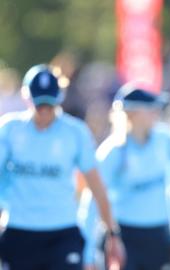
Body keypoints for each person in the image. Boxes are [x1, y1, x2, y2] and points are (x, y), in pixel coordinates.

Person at [0, 64, 124, 270]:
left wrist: (112, 233)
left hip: (62, 232)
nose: (44, 112)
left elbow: (97, 187)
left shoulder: (76, 132)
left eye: (50, 105)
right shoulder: (9, 130)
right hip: (19, 231)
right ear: (26, 98)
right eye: (39, 105)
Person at [82, 84, 170, 270]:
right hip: (125, 238)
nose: (156, 113)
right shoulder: (112, 151)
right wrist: (87, 254)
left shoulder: (164, 139)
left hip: (160, 235)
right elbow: (92, 203)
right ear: (132, 114)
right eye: (150, 109)